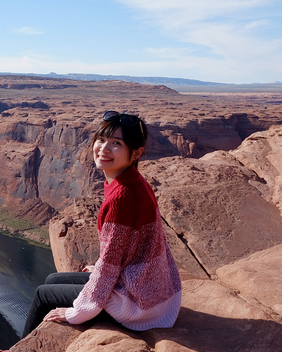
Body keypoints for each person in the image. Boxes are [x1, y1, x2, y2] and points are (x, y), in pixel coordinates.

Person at [22, 111, 182, 336]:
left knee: (43, 294)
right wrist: (98, 269)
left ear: (136, 153)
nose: (104, 149)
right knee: (53, 279)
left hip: (139, 303)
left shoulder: (122, 197)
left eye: (116, 143)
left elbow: (109, 265)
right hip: (154, 291)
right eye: (101, 139)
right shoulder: (134, 181)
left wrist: (76, 313)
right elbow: (130, 247)